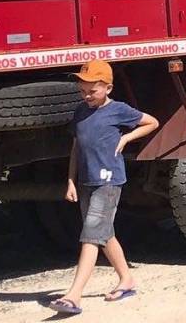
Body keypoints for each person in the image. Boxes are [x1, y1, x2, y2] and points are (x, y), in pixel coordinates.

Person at [49, 59, 159, 316]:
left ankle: (73, 296)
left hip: (109, 181)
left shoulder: (118, 110)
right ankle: (127, 280)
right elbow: (76, 148)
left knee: (91, 234)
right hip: (86, 181)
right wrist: (70, 180)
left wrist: (127, 137)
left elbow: (152, 122)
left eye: (92, 91)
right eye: (82, 91)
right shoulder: (80, 112)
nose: (87, 95)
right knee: (103, 233)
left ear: (108, 88)